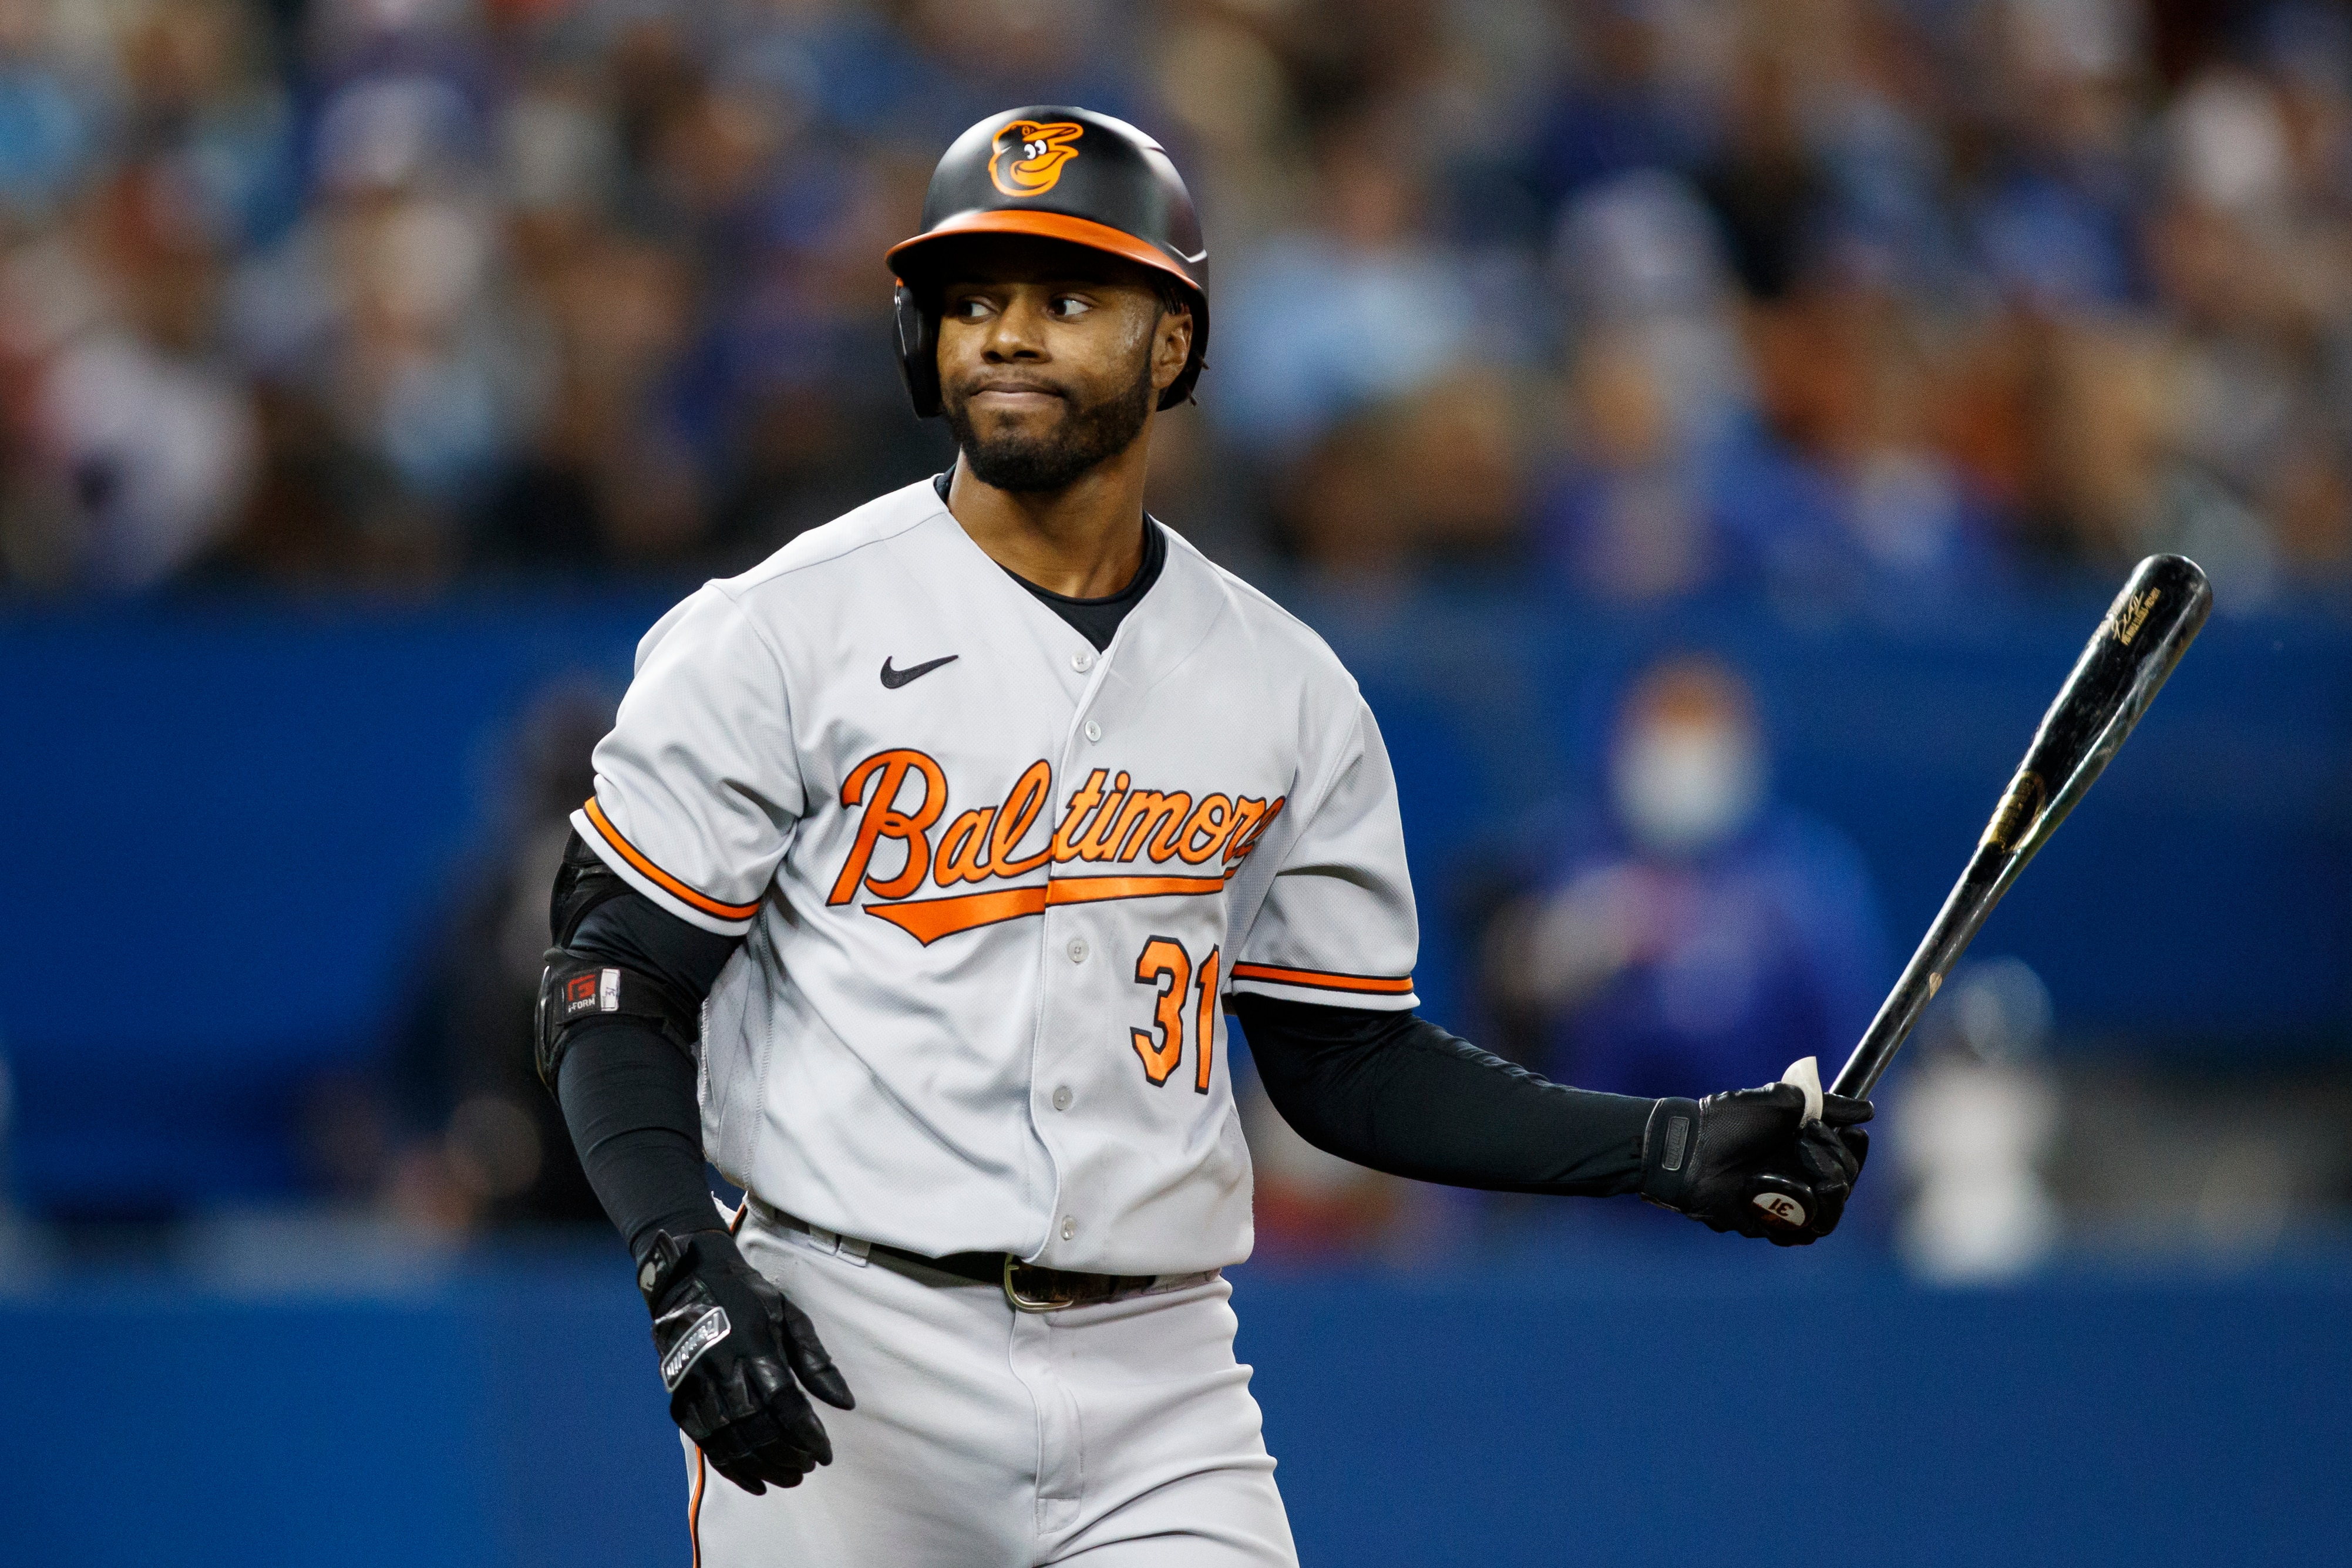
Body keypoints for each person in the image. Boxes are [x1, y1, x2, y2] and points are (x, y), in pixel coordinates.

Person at [537, 107, 1872, 1567]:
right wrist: (687, 1270)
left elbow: (1346, 1060)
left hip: (1158, 1375)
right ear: (921, 339)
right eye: (974, 299)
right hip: (851, 1347)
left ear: (1174, 341)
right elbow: (611, 982)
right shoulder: (781, 628)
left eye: (1067, 297)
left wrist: (1664, 1145)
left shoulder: (1283, 684)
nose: (1010, 336)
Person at [1480, 654, 1891, 1102]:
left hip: (1755, 1159)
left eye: (1703, 736)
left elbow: (1853, 1050)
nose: (1683, 763)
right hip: (1587, 1154)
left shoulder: (1807, 884)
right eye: (1663, 734)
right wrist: (1539, 958)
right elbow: (1488, 1013)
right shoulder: (1560, 858)